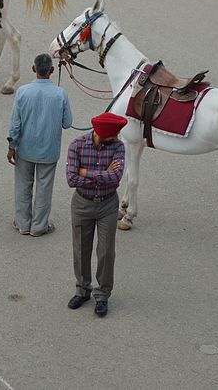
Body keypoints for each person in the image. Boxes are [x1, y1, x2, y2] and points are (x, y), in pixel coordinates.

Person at [65, 112, 127, 317]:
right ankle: (82, 290)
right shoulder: (77, 145)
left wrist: (86, 172)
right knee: (81, 249)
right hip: (82, 204)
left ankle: (102, 295)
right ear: (102, 134)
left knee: (106, 251)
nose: (117, 137)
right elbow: (72, 179)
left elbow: (115, 177)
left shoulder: (118, 147)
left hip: (108, 205)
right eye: (114, 134)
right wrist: (101, 175)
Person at [7, 53, 73, 237]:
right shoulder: (60, 94)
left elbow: (15, 124)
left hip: (25, 148)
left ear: (33, 69)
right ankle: (39, 226)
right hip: (49, 150)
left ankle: (22, 223)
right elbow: (68, 122)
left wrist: (12, 146)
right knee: (44, 187)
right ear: (51, 70)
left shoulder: (22, 91)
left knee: (22, 185)